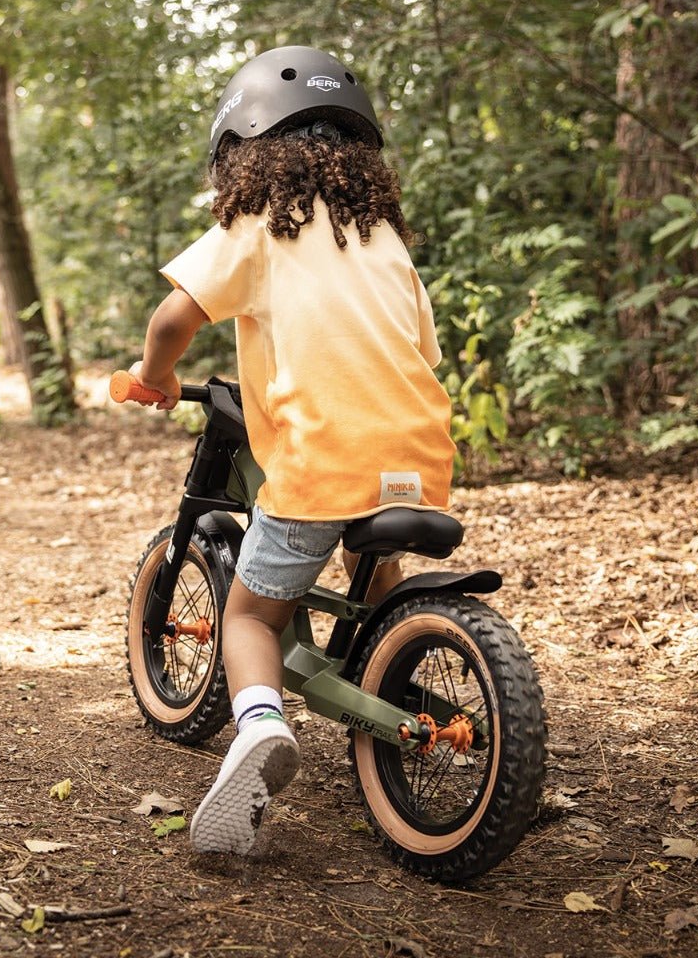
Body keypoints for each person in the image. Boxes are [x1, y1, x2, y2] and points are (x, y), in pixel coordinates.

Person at [129, 46, 455, 855]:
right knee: (376, 571)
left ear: (245, 152)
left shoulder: (256, 227)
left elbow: (175, 319)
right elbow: (423, 351)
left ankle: (260, 727)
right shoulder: (382, 238)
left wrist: (154, 375)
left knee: (250, 613)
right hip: (418, 455)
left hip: (320, 459)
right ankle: (387, 657)